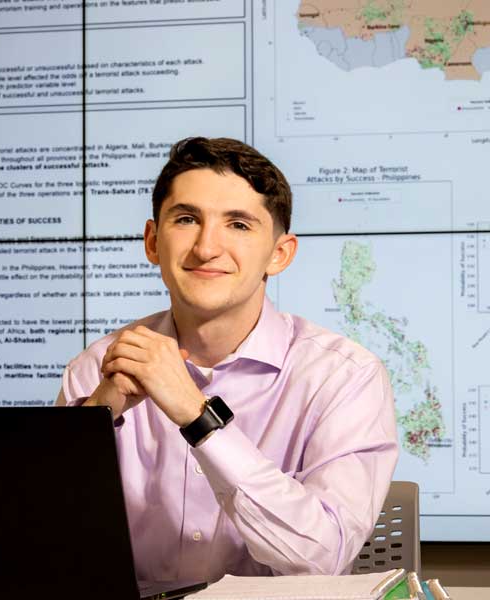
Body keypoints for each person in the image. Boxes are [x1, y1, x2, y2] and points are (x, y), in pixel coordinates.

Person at [56, 137, 398, 583]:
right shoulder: (97, 366)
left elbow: (321, 558)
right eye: (186, 219)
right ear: (153, 242)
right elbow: (40, 544)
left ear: (279, 254)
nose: (206, 248)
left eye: (238, 224)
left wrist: (197, 416)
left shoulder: (345, 378)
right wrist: (92, 424)